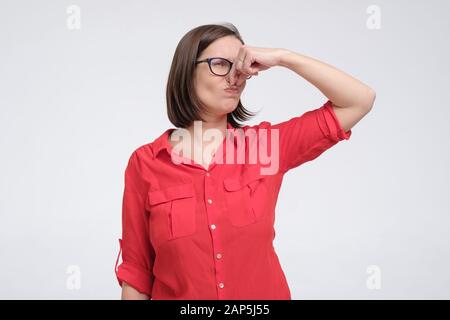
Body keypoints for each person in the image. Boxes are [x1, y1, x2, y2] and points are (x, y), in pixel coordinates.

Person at [115, 22, 376, 300]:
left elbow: (359, 100)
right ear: (187, 71)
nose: (234, 77)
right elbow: (138, 271)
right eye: (220, 64)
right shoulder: (146, 163)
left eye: (240, 67)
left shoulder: (264, 148)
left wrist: (282, 57)